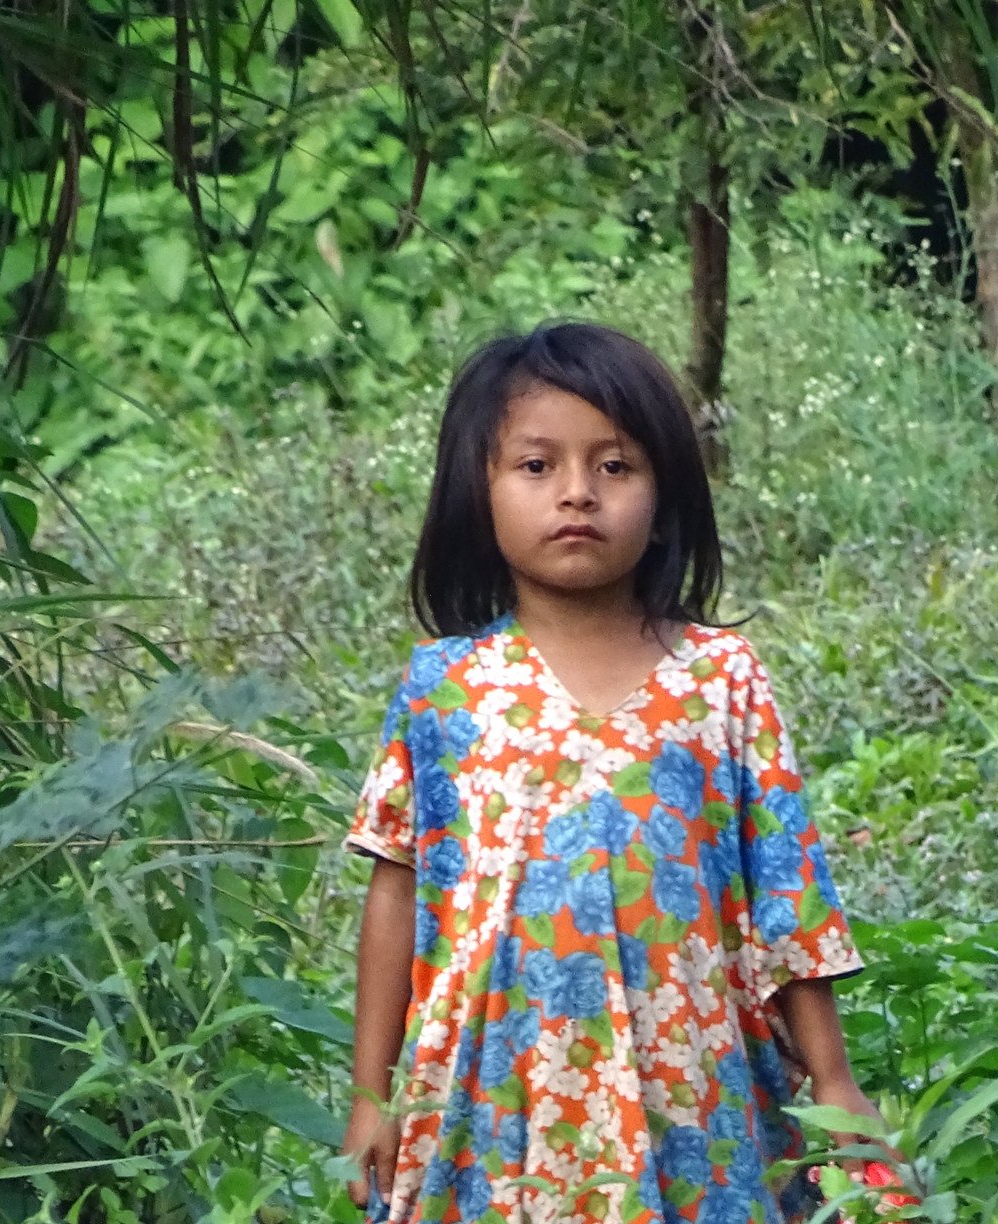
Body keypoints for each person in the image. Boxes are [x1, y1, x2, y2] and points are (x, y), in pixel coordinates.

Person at [340, 322, 880, 1224]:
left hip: (696, 1094)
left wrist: (835, 1083)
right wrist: (372, 1096)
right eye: (537, 466)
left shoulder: (721, 679)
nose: (578, 494)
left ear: (664, 494)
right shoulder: (447, 688)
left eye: (615, 466)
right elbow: (399, 889)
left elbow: (787, 898)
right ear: (479, 493)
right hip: (494, 1094)